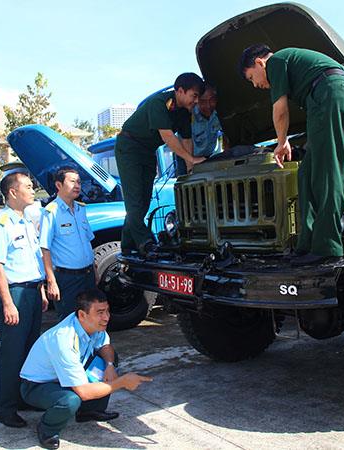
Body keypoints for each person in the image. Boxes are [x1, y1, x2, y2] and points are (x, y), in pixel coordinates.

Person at [239, 44, 344, 264]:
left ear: (259, 63)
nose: (256, 85)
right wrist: (338, 151)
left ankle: (328, 247)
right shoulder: (295, 63)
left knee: (325, 176)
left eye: (251, 78)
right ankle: (306, 244)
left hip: (330, 95)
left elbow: (280, 109)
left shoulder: (275, 62)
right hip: (341, 96)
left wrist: (282, 142)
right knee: (306, 173)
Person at [20, 288, 152, 449]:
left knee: (109, 357)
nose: (107, 317)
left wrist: (110, 366)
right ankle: (47, 429)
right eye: (100, 312)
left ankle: (88, 411)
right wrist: (122, 382)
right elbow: (84, 392)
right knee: (70, 400)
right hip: (37, 386)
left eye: (108, 311)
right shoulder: (64, 340)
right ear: (82, 315)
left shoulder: (90, 324)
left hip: (64, 378)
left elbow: (105, 345)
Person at [115, 72, 206, 256]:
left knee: (144, 201)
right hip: (129, 147)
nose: (196, 101)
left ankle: (127, 244)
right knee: (134, 201)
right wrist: (191, 159)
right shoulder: (159, 103)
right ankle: (146, 243)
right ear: (180, 91)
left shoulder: (183, 113)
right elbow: (169, 138)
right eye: (194, 96)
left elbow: (186, 139)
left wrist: (191, 169)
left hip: (148, 151)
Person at [0, 169, 48, 429]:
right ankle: (6, 408)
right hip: (15, 294)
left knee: (29, 350)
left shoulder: (25, 221)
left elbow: (33, 261)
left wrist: (42, 290)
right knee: (12, 353)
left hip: (32, 292)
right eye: (27, 185)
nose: (32, 189)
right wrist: (8, 303)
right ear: (13, 192)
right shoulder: (1, 223)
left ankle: (23, 398)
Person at [39, 167, 96, 321]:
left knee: (91, 321)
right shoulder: (50, 212)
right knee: (69, 322)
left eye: (79, 182)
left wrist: (94, 269)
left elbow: (88, 241)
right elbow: (45, 249)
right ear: (59, 185)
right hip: (67, 279)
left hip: (88, 276)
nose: (77, 185)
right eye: (72, 182)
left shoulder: (81, 209)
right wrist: (51, 281)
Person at [175, 84, 224, 176]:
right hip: (187, 158)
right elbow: (185, 141)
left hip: (208, 158)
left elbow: (226, 136)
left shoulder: (219, 114)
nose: (208, 105)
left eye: (212, 100)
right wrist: (190, 168)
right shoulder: (188, 116)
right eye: (203, 101)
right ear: (197, 101)